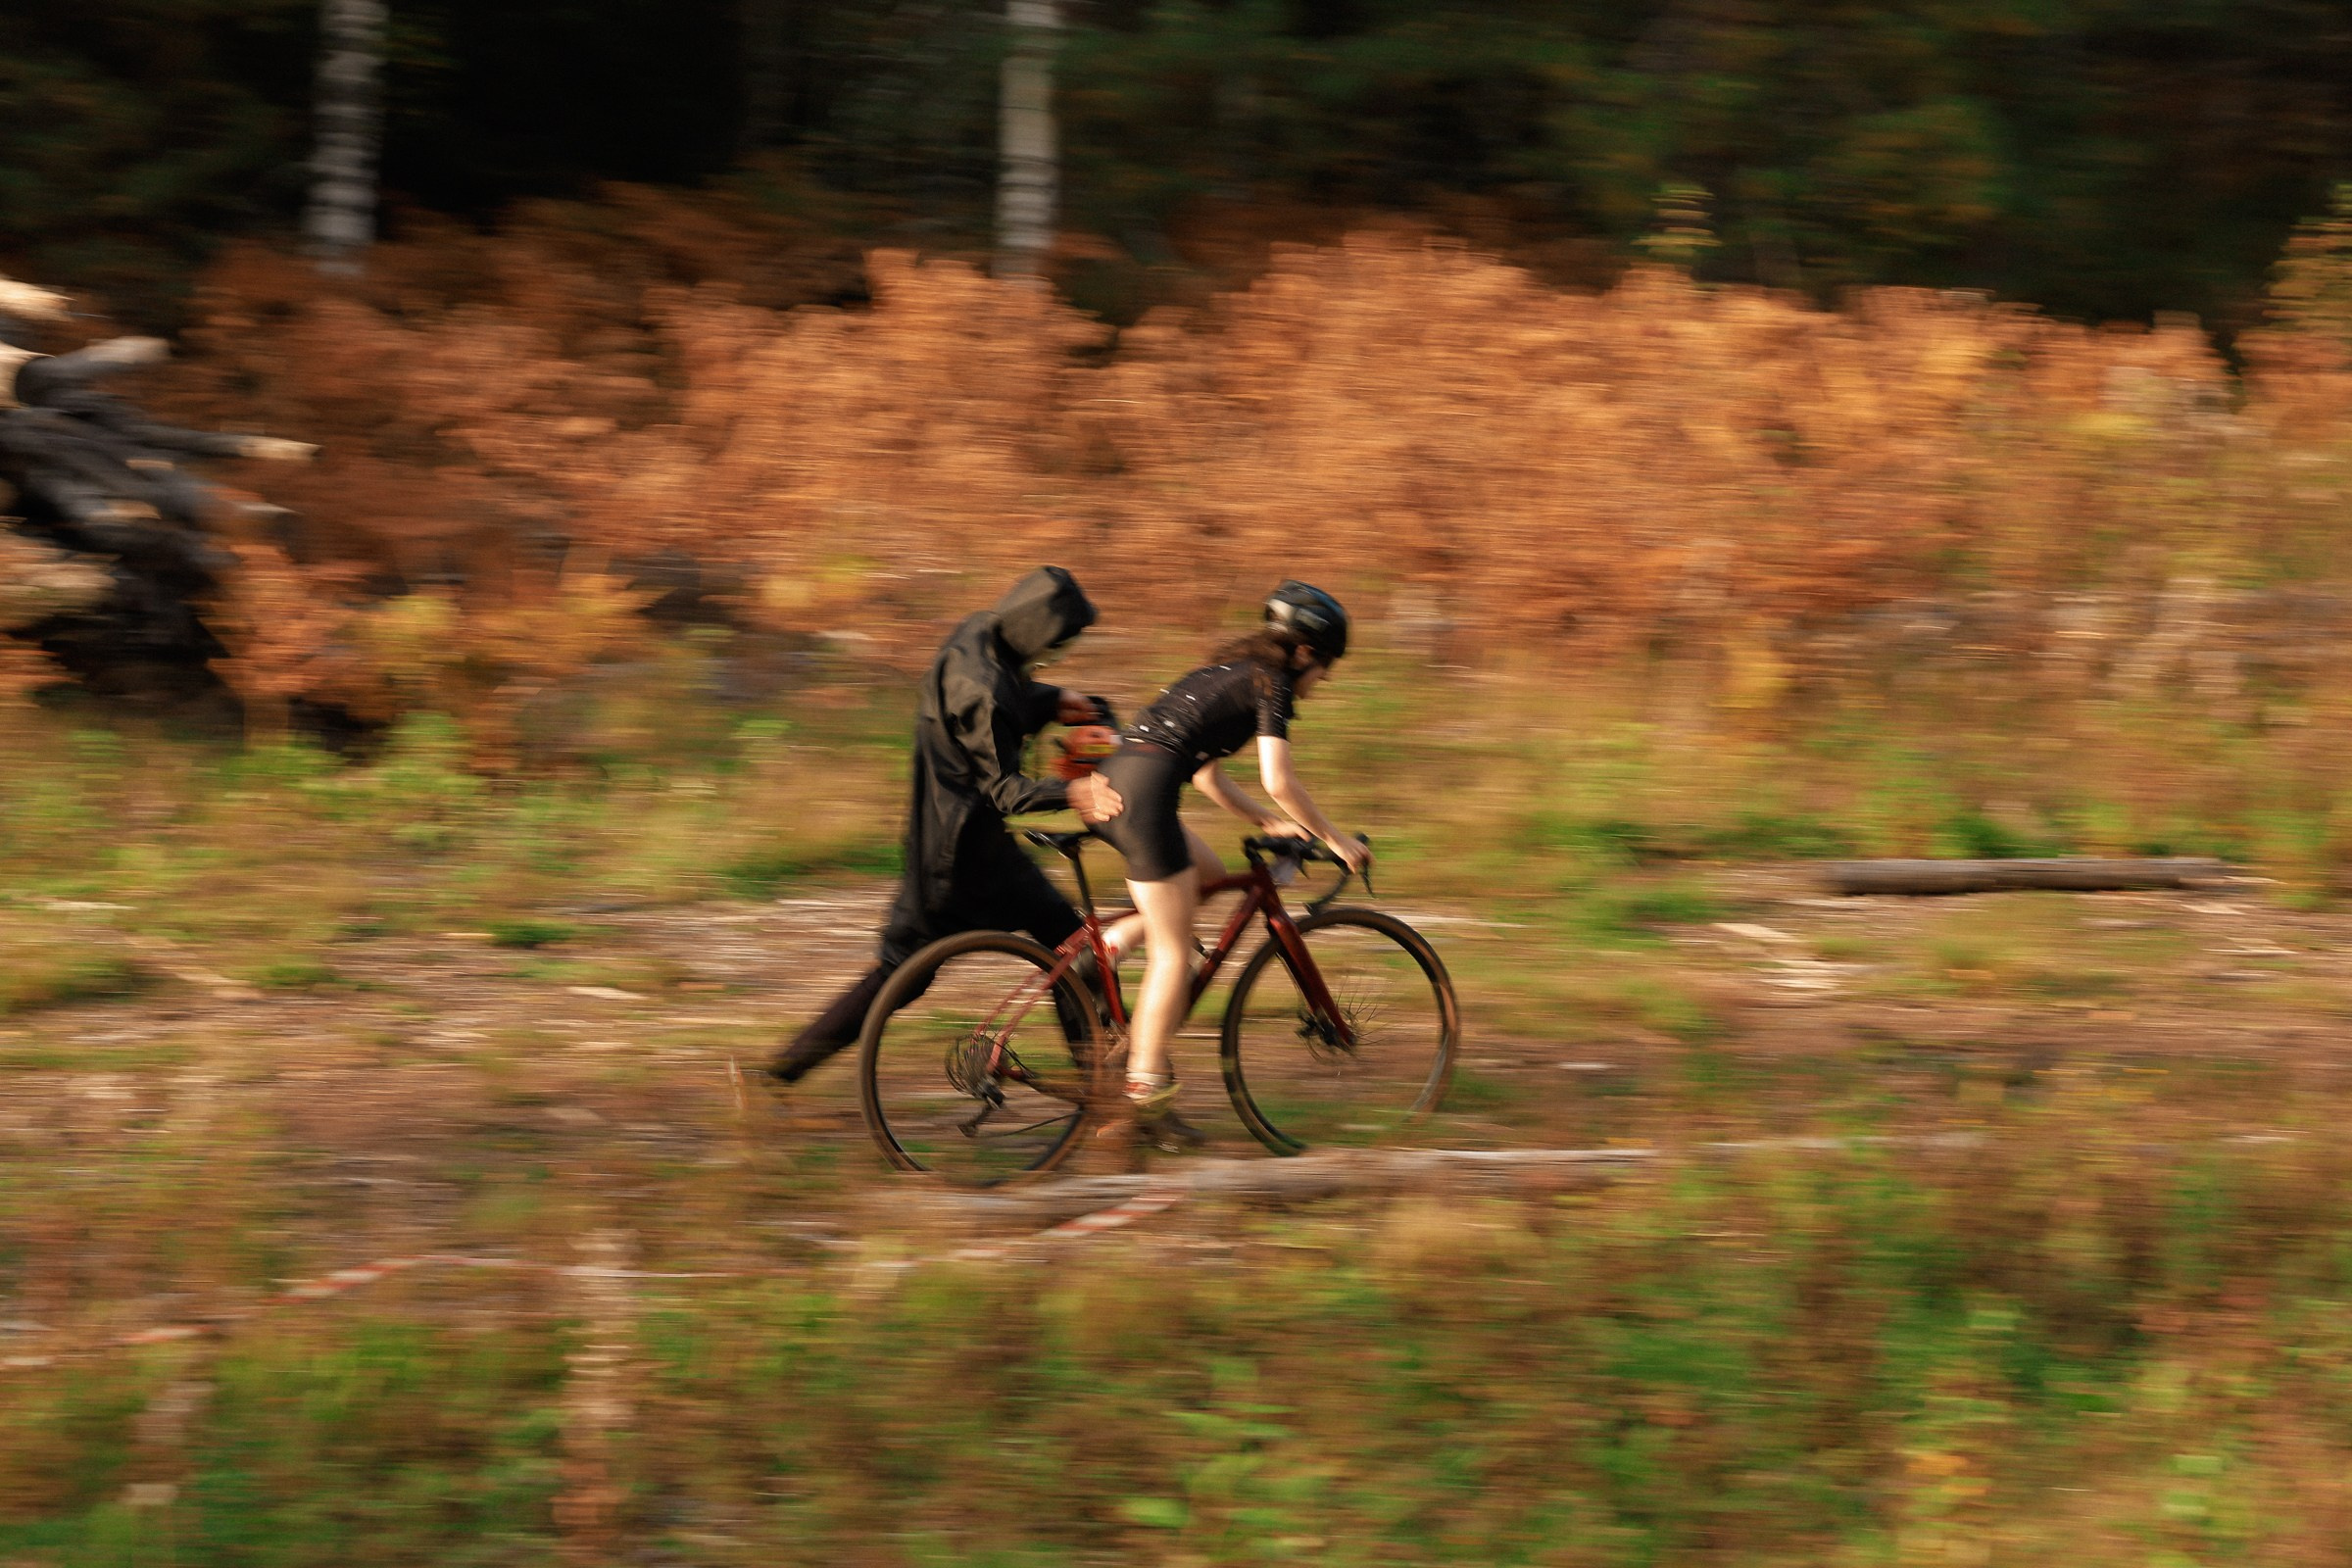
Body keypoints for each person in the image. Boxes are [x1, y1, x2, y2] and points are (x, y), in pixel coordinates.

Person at [766, 565, 1124, 1084]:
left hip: (945, 840)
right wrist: (1077, 790)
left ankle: (776, 1076)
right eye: (1056, 646)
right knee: (1069, 952)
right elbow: (1004, 788)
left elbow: (994, 703)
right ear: (1034, 633)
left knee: (916, 973)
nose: (1056, 656)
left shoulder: (976, 634)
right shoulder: (988, 692)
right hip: (966, 859)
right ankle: (1114, 1093)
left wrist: (1052, 699)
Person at [1089, 581, 1372, 1141]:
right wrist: (1336, 839)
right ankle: (1142, 1090)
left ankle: (1112, 945)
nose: (1325, 681)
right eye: (1328, 667)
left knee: (1213, 877)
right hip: (1144, 800)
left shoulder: (1228, 671)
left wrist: (1266, 824)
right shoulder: (1274, 685)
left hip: (1115, 784)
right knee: (1175, 951)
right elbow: (1279, 780)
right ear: (1307, 653)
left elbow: (1205, 773)